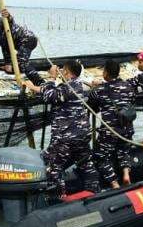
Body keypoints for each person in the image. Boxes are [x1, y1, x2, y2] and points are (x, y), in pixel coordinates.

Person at [23, 60, 100, 198]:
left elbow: (49, 96)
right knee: (85, 163)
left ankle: (59, 197)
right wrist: (33, 87)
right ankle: (94, 190)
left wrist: (52, 77)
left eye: (63, 70)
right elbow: (53, 92)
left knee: (54, 167)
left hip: (66, 137)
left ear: (67, 72)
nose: (61, 72)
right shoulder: (79, 85)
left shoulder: (67, 88)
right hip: (81, 135)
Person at [88, 60, 136, 189]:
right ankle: (126, 174)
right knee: (124, 151)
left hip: (110, 131)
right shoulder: (129, 86)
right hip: (127, 128)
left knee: (100, 157)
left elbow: (91, 105)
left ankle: (114, 183)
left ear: (106, 73)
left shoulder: (100, 90)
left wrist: (94, 87)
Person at [0, 9, 44, 86]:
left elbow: (9, 22)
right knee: (12, 67)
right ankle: (27, 71)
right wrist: (8, 63)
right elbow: (0, 45)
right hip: (19, 45)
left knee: (22, 63)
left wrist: (8, 16)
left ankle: (41, 84)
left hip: (28, 39)